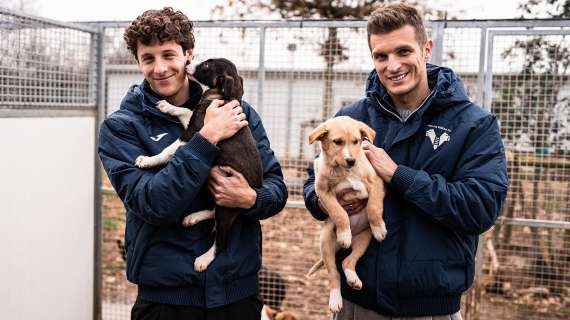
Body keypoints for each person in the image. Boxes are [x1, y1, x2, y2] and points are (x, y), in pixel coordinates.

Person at [304, 3, 508, 319]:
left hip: (430, 307)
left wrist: (400, 176)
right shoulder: (352, 118)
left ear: (426, 49)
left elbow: (480, 207)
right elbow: (312, 182)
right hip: (358, 304)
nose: (392, 65)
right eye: (381, 56)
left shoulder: (474, 125)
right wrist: (328, 201)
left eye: (403, 51)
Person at [98, 7, 288, 320]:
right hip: (166, 302)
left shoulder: (238, 112)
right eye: (148, 58)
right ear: (138, 62)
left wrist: (250, 198)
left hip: (237, 297)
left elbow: (276, 190)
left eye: (168, 55)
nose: (160, 68)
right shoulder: (121, 127)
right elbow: (152, 204)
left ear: (188, 54)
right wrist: (206, 138)